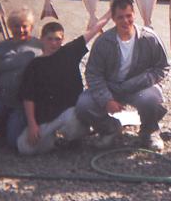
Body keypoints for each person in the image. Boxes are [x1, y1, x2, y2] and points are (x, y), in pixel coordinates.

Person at [75, 0, 170, 151]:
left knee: (152, 98)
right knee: (83, 105)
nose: (125, 21)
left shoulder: (149, 38)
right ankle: (110, 129)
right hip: (111, 87)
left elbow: (162, 67)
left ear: (134, 15)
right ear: (113, 18)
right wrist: (107, 100)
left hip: (138, 87)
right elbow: (93, 73)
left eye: (128, 16)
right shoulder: (103, 42)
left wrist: (141, 81)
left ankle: (149, 132)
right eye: (120, 17)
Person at [17, 12, 112, 155]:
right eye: (49, 39)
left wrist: (112, 10)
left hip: (69, 113)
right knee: (24, 148)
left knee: (74, 124)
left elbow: (93, 30)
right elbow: (28, 97)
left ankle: (75, 139)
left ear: (63, 40)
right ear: (42, 39)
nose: (54, 43)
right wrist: (32, 124)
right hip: (45, 117)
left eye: (57, 39)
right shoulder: (34, 65)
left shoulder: (69, 52)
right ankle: (51, 142)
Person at [0, 6, 42, 148]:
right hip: (2, 97)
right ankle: (5, 122)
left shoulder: (39, 47)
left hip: (24, 104)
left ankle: (16, 124)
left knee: (12, 143)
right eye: (16, 26)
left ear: (31, 27)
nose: (21, 30)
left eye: (25, 26)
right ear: (10, 27)